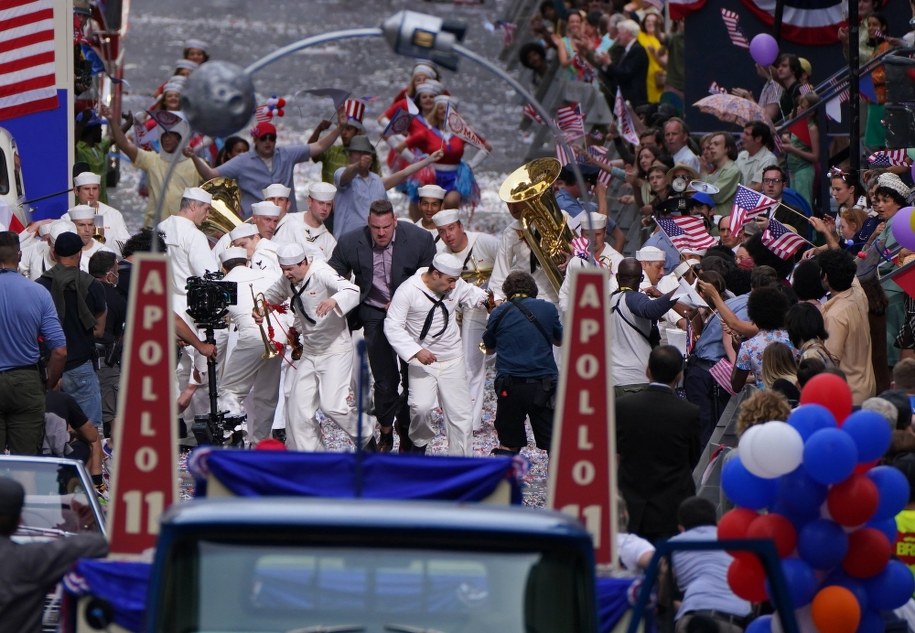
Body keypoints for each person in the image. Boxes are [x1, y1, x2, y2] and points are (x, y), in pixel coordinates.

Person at [328, 200, 437, 452]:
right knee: (385, 380)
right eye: (376, 227)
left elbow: (431, 279)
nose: (381, 233)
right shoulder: (350, 241)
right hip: (374, 311)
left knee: (412, 377)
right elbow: (331, 273)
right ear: (369, 223)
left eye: (386, 227)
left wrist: (402, 301)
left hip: (411, 313)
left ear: (395, 222)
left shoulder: (420, 239)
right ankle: (386, 429)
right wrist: (339, 295)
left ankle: (408, 433)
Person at [262, 243, 366, 451]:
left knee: (333, 406)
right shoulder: (288, 279)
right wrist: (259, 308)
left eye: (290, 269)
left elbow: (352, 290)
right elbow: (270, 296)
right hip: (310, 352)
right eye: (283, 269)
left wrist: (334, 301)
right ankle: (314, 457)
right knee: (298, 410)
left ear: (304, 263)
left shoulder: (321, 273)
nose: (286, 274)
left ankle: (366, 434)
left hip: (335, 348)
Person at [384, 253, 488, 456]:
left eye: (455, 282)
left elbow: (472, 294)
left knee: (461, 416)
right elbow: (392, 326)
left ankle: (460, 464)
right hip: (422, 360)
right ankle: (419, 444)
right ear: (435, 274)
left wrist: (491, 300)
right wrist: (416, 351)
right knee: (421, 408)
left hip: (452, 358)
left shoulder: (454, 285)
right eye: (449, 281)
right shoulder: (408, 291)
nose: (452, 286)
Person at [0, 477, 108, 632]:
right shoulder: (30, 559)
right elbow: (98, 544)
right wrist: (84, 524)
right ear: (19, 520)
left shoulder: (29, 558)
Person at [616, 346, 701, 542]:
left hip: (632, 502)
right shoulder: (689, 413)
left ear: (647, 371)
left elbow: (616, 454)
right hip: (672, 505)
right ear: (679, 375)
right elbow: (693, 457)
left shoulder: (623, 406)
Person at [186, 118, 344, 218]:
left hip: (287, 222)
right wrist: (194, 156)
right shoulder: (242, 161)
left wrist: (340, 128)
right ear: (255, 140)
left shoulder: (286, 154)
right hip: (256, 225)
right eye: (263, 138)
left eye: (272, 138)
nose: (268, 142)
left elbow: (319, 146)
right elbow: (210, 174)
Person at [432, 208, 500, 432]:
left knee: (473, 365)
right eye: (442, 231)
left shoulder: (486, 242)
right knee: (449, 363)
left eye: (451, 228)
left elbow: (506, 267)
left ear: (461, 226)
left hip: (481, 309)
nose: (448, 235)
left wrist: (499, 301)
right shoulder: (439, 252)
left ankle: (471, 421)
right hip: (451, 312)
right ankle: (452, 415)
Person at [0, 232, 67, 454]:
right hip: (26, 381)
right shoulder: (38, 293)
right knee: (26, 459)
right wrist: (48, 383)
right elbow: (59, 350)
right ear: (19, 256)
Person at [482, 271, 562, 456]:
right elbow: (560, 340)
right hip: (543, 386)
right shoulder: (548, 308)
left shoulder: (499, 312)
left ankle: (505, 483)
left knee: (508, 442)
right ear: (533, 289)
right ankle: (556, 483)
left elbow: (489, 349)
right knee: (554, 443)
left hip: (510, 386)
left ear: (507, 292)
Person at [37, 232, 107, 435]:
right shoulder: (92, 285)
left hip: (48, 367)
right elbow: (99, 330)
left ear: (54, 253)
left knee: (52, 431)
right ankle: (89, 466)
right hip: (81, 365)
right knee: (90, 430)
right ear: (79, 254)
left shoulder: (40, 286)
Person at [217, 247, 283, 445]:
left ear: (223, 267)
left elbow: (218, 323)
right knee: (267, 395)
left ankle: (235, 437)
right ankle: (260, 443)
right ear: (247, 262)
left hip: (253, 338)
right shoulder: (267, 274)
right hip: (279, 337)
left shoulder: (223, 284)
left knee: (230, 389)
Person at [105, 101, 200, 228]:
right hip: (153, 229)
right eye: (163, 135)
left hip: (185, 229)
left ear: (181, 138)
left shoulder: (196, 164)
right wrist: (111, 120)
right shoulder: (152, 159)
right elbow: (124, 144)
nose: (166, 139)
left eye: (171, 135)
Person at [332, 135, 444, 238]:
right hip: (346, 241)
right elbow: (345, 177)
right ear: (350, 155)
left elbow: (404, 173)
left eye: (365, 153)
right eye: (357, 153)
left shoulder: (377, 180)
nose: (362, 157)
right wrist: (358, 165)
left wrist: (429, 160)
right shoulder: (341, 173)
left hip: (373, 244)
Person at [669, 497, 753, 633]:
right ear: (716, 522)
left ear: (681, 529)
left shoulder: (674, 544)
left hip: (696, 618)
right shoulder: (733, 541)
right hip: (737, 619)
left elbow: (662, 582)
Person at [610, 258, 679, 396]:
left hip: (610, 381)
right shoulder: (634, 298)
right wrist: (677, 293)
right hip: (634, 383)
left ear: (617, 277)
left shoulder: (607, 299)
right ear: (641, 278)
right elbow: (651, 310)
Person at [819, 248, 876, 404]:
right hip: (868, 389)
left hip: (849, 397)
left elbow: (831, 362)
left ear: (826, 277)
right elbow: (849, 268)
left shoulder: (835, 316)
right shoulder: (859, 294)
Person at [88, 250, 126, 438]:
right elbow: (122, 332)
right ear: (110, 273)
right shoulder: (116, 297)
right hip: (106, 360)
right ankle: (113, 450)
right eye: (116, 270)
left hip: (79, 358)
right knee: (113, 411)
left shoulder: (81, 289)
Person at [731, 285, 795, 392]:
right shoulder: (795, 339)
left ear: (753, 314)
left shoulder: (749, 347)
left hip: (765, 403)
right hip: (794, 398)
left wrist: (738, 351)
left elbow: (736, 386)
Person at [65, 171, 131, 255]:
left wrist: (103, 240)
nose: (91, 193)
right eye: (86, 189)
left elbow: (126, 244)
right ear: (76, 191)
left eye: (95, 188)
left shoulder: (113, 214)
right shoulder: (67, 217)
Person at [591, 19, 649, 108]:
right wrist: (605, 64)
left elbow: (625, 73)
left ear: (628, 33)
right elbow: (615, 73)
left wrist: (609, 63)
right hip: (621, 98)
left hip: (633, 100)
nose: (618, 36)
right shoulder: (625, 50)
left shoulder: (638, 50)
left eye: (620, 33)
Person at [64, 205, 116, 275]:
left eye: (90, 225)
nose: (87, 230)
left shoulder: (105, 251)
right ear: (72, 226)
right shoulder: (65, 252)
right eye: (81, 225)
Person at [700, 132, 740, 218]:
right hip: (712, 222)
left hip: (724, 224)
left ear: (727, 148)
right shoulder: (714, 170)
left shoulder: (733, 170)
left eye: (716, 144)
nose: (711, 147)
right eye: (710, 144)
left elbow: (712, 196)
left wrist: (703, 172)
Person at [735, 121, 778, 191]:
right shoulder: (741, 155)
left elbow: (759, 187)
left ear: (758, 139)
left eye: (747, 134)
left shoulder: (769, 160)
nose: (742, 136)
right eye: (743, 133)